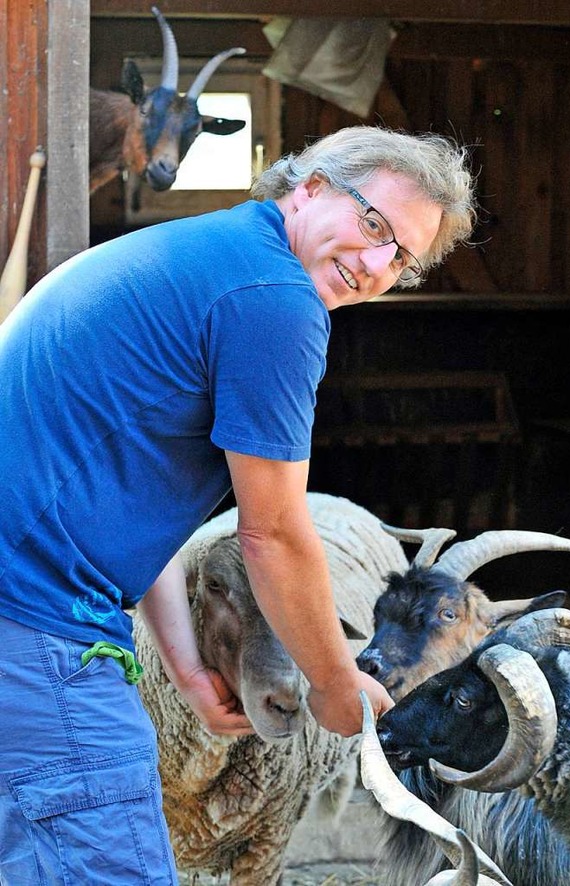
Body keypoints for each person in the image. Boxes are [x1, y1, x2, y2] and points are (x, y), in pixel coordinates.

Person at [0, 125, 476, 883]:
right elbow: (277, 534)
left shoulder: (216, 253)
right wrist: (332, 685)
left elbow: (136, 509)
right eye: (375, 224)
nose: (377, 265)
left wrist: (187, 668)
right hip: (33, 621)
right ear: (311, 186)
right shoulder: (275, 301)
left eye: (402, 258)